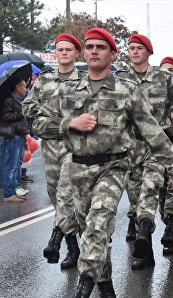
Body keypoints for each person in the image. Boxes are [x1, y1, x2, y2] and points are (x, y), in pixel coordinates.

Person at [31, 28, 173, 298]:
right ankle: (106, 288)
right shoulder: (67, 89)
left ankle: (82, 290)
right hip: (78, 169)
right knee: (90, 233)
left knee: (98, 225)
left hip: (113, 168)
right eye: (89, 46)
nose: (93, 51)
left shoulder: (125, 90)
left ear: (112, 54)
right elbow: (38, 123)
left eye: (100, 47)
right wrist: (70, 123)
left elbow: (153, 132)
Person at [116, 33, 173, 264]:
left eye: (139, 48)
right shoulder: (119, 80)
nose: (135, 51)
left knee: (150, 188)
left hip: (157, 144)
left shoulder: (163, 78)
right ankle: (150, 249)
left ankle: (144, 240)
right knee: (136, 194)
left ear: (149, 52)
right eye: (131, 48)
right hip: (129, 146)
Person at [23, 33, 84, 269]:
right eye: (60, 49)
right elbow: (28, 108)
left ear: (76, 53)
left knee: (66, 193)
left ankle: (58, 238)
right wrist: (55, 116)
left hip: (75, 145)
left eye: (68, 49)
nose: (64, 53)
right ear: (56, 52)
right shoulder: (44, 80)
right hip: (50, 146)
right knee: (56, 197)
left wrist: (53, 117)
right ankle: (73, 246)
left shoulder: (84, 81)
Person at [1, 78, 30, 203]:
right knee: (10, 166)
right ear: (18, 88)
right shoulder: (9, 100)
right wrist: (21, 113)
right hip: (13, 137)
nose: (26, 89)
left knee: (17, 164)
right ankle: (8, 194)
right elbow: (5, 117)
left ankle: (13, 191)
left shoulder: (18, 100)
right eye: (24, 87)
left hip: (20, 136)